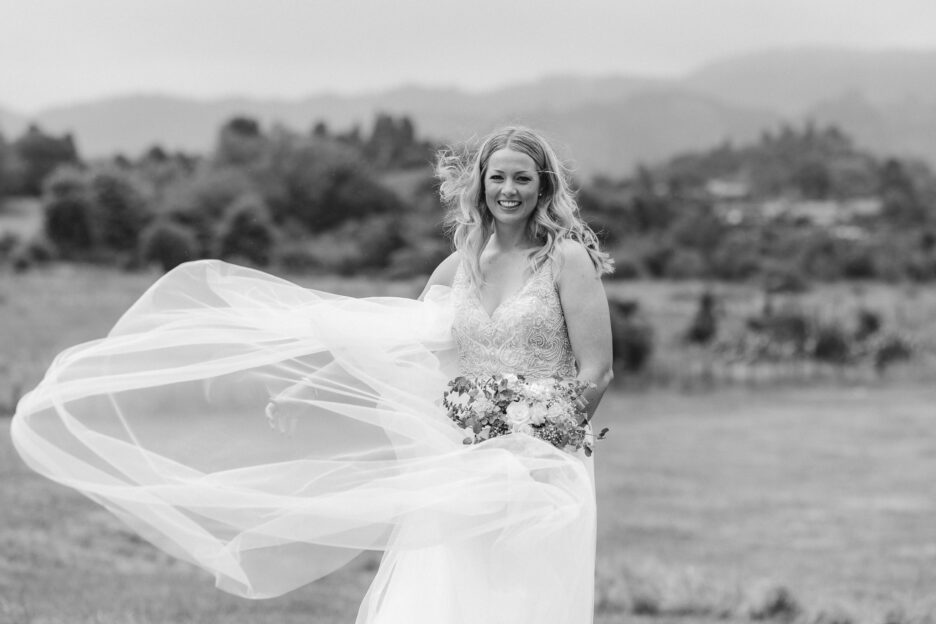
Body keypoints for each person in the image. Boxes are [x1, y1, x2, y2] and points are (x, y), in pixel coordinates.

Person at [11, 126, 613, 624]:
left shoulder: (564, 259)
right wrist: (306, 387)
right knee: (454, 592)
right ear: (480, 184)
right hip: (464, 460)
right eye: (497, 176)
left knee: (525, 596)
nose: (508, 189)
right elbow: (398, 342)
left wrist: (541, 442)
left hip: (544, 468)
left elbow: (597, 371)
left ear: (544, 187)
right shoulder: (460, 265)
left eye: (522, 178)